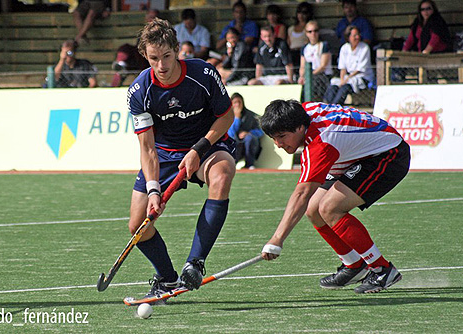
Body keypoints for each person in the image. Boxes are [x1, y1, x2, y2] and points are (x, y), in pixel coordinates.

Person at [124, 18, 236, 302]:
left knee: (222, 174)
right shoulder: (139, 92)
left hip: (207, 144)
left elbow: (226, 117)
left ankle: (195, 263)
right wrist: (153, 189)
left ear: (177, 51)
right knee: (138, 225)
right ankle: (167, 278)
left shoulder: (204, 74)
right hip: (163, 153)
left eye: (166, 57)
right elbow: (147, 147)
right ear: (145, 57)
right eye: (153, 59)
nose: (161, 66)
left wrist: (199, 149)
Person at [260, 99, 410, 294]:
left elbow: (302, 193)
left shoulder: (321, 143)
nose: (278, 144)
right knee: (313, 210)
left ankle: (381, 269)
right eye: (274, 138)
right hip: (353, 153)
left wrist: (277, 239)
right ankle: (354, 264)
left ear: (299, 128)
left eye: (282, 137)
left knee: (330, 208)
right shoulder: (299, 114)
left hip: (387, 154)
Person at [323, 25, 374, 105]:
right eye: (354, 35)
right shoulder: (344, 48)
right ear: (348, 37)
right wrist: (342, 79)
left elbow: (359, 69)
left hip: (362, 77)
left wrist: (345, 81)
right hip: (347, 77)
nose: (357, 37)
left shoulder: (364, 48)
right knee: (333, 86)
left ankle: (335, 108)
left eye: (358, 35)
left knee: (344, 88)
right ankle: (328, 107)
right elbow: (342, 67)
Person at [298, 20, 333, 100]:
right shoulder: (305, 48)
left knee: (314, 82)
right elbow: (302, 66)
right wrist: (302, 77)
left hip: (322, 75)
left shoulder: (324, 45)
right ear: (306, 33)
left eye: (315, 31)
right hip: (309, 75)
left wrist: (309, 76)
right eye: (310, 31)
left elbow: (323, 66)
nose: (313, 34)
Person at [227, 93, 263, 169]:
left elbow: (261, 131)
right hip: (235, 147)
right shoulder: (227, 116)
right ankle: (231, 164)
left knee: (249, 138)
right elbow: (230, 133)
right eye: (235, 103)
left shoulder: (251, 115)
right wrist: (237, 118)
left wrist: (249, 133)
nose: (237, 105)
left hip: (249, 146)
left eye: (239, 102)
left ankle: (249, 164)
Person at [287, 2, 313, 68]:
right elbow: (288, 43)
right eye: (299, 12)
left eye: (304, 13)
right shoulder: (291, 29)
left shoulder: (310, 28)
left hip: (304, 53)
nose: (301, 15)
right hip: (292, 54)